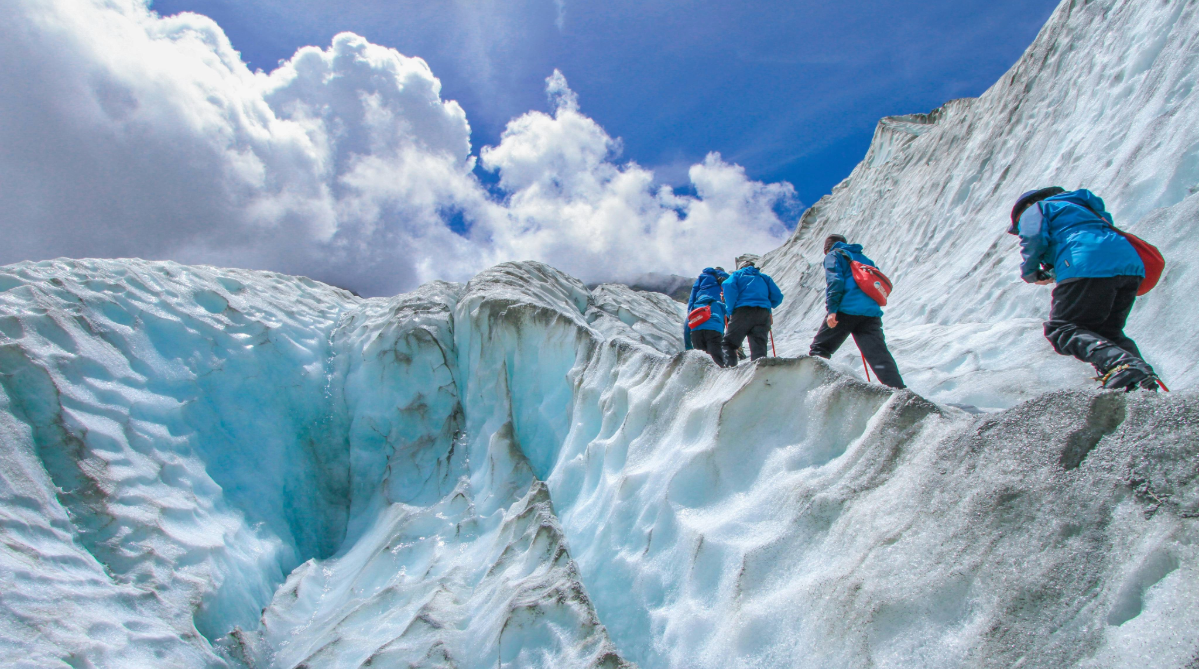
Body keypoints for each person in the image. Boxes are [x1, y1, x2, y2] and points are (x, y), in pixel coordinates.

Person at [1009, 187, 1158, 391]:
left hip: (1087, 262)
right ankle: (1142, 380)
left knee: (1062, 329)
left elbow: (1033, 238)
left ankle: (1122, 366)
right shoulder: (1083, 207)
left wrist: (1031, 272)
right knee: (1107, 331)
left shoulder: (1037, 208)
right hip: (1129, 266)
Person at [808, 235, 905, 389]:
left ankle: (812, 387)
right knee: (878, 355)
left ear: (826, 249)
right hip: (871, 313)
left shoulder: (834, 255)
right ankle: (898, 390)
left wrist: (832, 310)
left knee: (820, 349)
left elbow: (835, 281)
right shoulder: (864, 258)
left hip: (846, 309)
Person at [721, 256, 783, 365]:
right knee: (759, 348)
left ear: (740, 268)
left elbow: (728, 285)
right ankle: (759, 374)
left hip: (742, 311)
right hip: (763, 313)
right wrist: (768, 304)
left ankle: (729, 370)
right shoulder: (764, 278)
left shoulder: (737, 275)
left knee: (729, 344)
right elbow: (778, 296)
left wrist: (730, 309)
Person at [685, 267, 729, 365]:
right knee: (717, 361)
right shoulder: (720, 302)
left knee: (701, 363)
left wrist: (688, 346)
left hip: (696, 330)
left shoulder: (697, 303)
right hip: (714, 330)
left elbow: (688, 320)